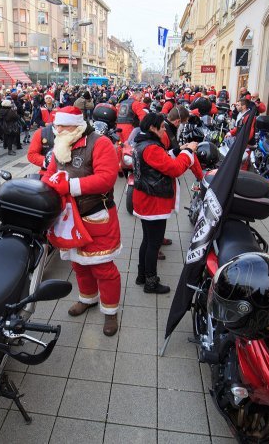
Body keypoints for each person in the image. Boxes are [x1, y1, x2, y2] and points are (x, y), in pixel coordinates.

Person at [43, 107, 122, 336]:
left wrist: (69, 187)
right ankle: (87, 298)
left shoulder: (100, 143)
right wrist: (48, 186)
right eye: (56, 126)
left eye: (61, 126)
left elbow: (107, 179)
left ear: (76, 126)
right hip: (68, 217)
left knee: (103, 268)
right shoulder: (61, 143)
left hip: (95, 215)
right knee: (78, 264)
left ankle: (110, 311)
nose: (56, 130)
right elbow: (49, 173)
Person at [131, 113, 198, 294]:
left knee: (147, 240)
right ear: (152, 128)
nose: (164, 129)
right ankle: (151, 282)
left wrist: (178, 150)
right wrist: (187, 152)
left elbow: (161, 160)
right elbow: (175, 169)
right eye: (161, 127)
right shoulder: (151, 148)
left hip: (145, 198)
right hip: (154, 201)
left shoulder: (141, 143)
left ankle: (142, 275)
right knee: (153, 243)